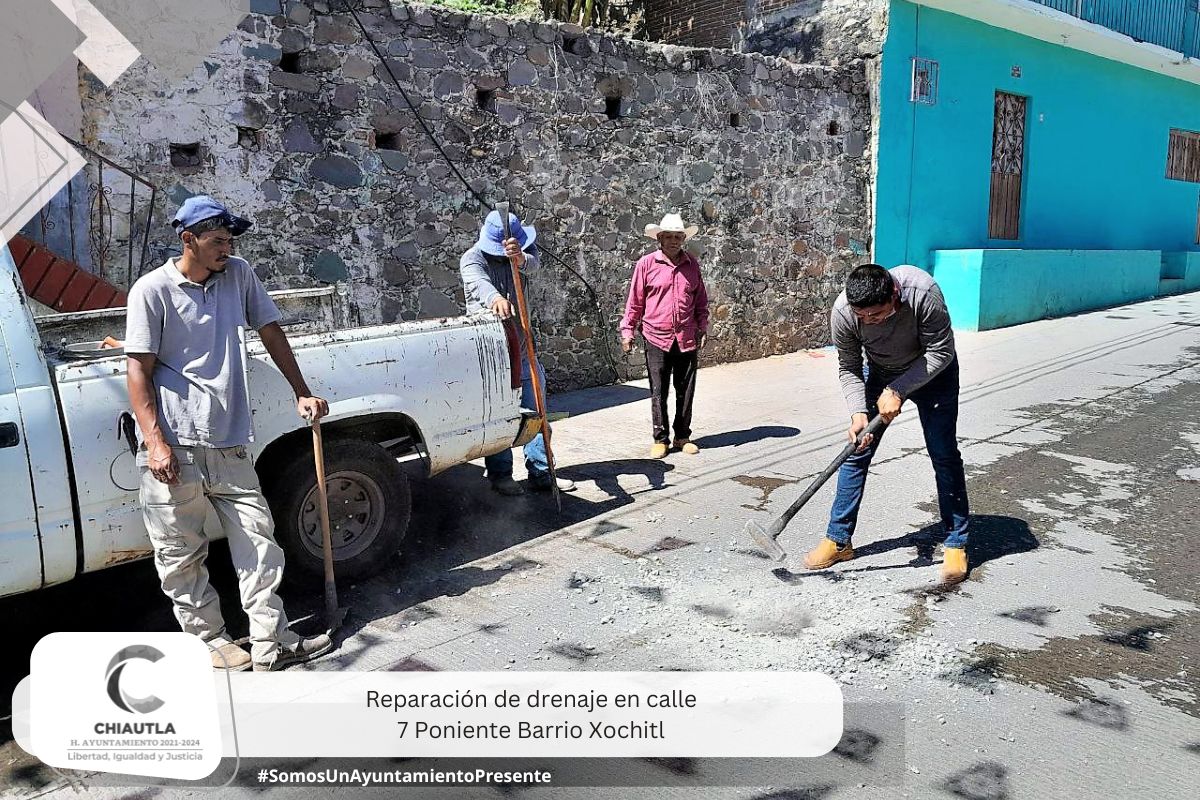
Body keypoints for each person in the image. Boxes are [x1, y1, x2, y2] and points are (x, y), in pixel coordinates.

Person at [124, 196, 334, 672]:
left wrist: (301, 390)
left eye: (229, 239)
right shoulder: (151, 290)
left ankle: (270, 640)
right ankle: (212, 642)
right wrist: (155, 442)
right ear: (188, 240)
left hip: (229, 439)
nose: (226, 248)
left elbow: (270, 329)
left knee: (259, 542)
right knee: (180, 552)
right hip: (174, 445)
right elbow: (138, 371)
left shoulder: (237, 274)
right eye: (216, 240)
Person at [804, 263, 970, 585]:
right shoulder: (843, 312)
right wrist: (857, 413)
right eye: (862, 317)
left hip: (934, 375)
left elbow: (941, 351)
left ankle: (956, 541)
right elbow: (849, 366)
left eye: (877, 315)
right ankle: (839, 540)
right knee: (856, 451)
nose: (869, 322)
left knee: (943, 454)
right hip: (879, 374)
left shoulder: (922, 293)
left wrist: (898, 390)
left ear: (894, 295)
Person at [459, 209, 576, 497]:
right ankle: (500, 475)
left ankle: (541, 471)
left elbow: (533, 265)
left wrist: (520, 258)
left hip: (523, 349)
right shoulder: (473, 258)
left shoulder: (523, 247)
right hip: (494, 356)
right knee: (501, 416)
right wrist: (495, 298)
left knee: (536, 411)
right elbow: (478, 283)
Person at [620, 213, 710, 459]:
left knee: (686, 389)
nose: (673, 241)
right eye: (668, 236)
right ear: (659, 238)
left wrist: (703, 326)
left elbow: (700, 301)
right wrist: (627, 330)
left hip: (686, 336)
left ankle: (682, 436)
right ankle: (660, 439)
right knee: (658, 391)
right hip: (655, 336)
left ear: (683, 239)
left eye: (677, 236)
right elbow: (635, 302)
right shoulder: (646, 265)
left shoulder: (692, 265)